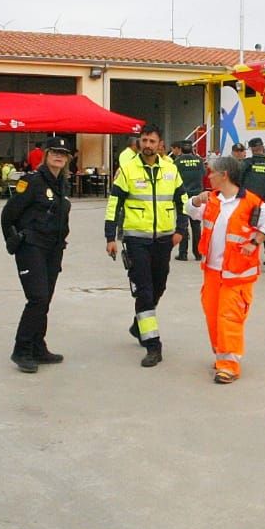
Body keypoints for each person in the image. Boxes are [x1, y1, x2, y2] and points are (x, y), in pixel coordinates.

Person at [186, 153, 265, 383]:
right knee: (212, 314)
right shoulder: (213, 200)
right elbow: (190, 210)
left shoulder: (250, 202)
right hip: (212, 271)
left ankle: (229, 364)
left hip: (237, 273)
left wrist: (255, 241)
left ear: (224, 175)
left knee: (229, 317)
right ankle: (222, 355)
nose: (209, 176)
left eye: (212, 172)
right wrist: (196, 200)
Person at [106, 123, 185, 367]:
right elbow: (113, 204)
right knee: (145, 290)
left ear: (160, 144)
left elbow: (181, 200)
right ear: (139, 142)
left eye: (152, 141)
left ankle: (137, 324)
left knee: (159, 285)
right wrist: (110, 237)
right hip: (136, 239)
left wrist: (181, 230)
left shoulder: (171, 170)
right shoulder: (127, 170)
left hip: (163, 239)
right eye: (144, 140)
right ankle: (153, 344)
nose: (148, 145)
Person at [1, 137, 74, 372]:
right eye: (54, 152)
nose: (59, 156)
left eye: (63, 153)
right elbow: (8, 213)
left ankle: (37, 346)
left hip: (53, 250)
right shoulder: (31, 182)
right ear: (46, 154)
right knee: (38, 298)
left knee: (46, 299)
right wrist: (12, 241)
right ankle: (21, 350)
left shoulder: (62, 184)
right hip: (31, 247)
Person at [240, 137, 265, 273]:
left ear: (251, 149)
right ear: (262, 147)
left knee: (245, 231)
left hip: (248, 203)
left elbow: (237, 181)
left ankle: (245, 261)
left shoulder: (247, 163)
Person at [171, 139, 206, 261]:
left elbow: (173, 178)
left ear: (181, 148)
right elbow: (203, 174)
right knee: (196, 225)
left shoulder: (177, 162)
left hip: (183, 196)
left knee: (183, 225)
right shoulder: (199, 161)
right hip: (197, 197)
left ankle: (183, 253)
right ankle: (198, 253)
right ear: (192, 148)